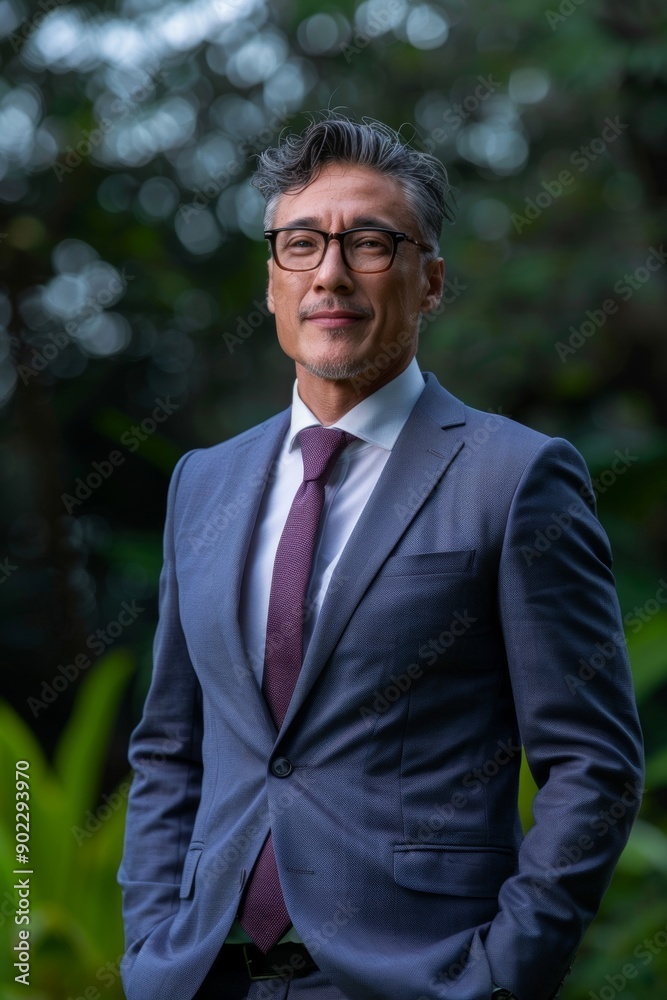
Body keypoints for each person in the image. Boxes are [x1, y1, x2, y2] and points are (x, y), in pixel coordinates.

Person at [118, 113, 644, 1000]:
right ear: (272, 282)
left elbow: (593, 765)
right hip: (204, 974)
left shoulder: (515, 477)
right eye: (300, 244)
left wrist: (499, 978)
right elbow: (170, 746)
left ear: (429, 280)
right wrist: (149, 946)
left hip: (416, 977)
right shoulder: (201, 483)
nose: (329, 273)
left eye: (368, 243)